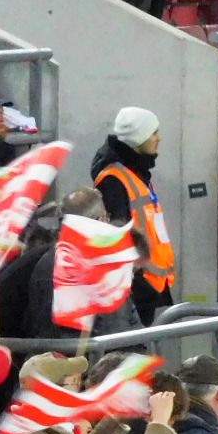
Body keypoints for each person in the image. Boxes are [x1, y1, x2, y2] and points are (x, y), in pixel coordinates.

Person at [89, 108, 175, 322]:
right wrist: (139, 283)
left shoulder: (137, 172)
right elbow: (117, 238)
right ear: (140, 138)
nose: (159, 138)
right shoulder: (114, 180)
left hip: (152, 286)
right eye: (154, 133)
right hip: (138, 290)